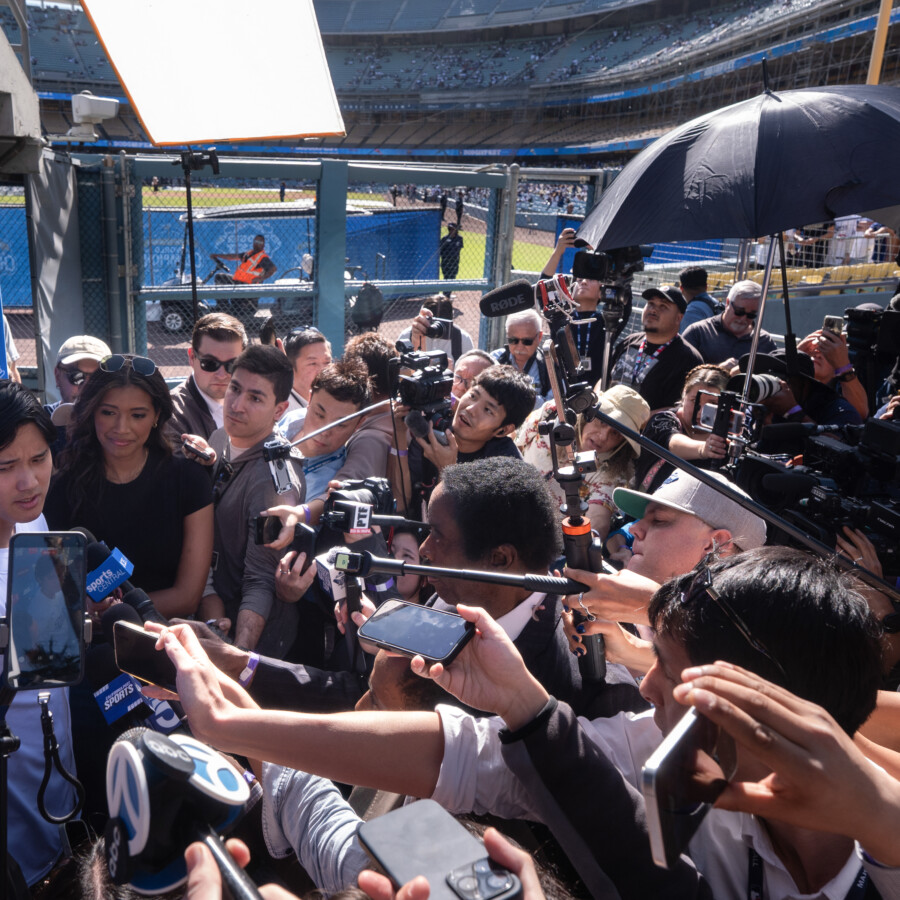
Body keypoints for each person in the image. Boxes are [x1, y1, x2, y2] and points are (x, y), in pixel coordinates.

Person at [150, 543, 891, 900]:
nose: (646, 683)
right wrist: (238, 728)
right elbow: (470, 758)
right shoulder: (670, 749)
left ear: (758, 704)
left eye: (668, 668)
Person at [44, 354, 213, 618]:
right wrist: (88, 612)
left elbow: (187, 597)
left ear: (157, 415)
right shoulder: (61, 488)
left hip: (167, 633)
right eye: (109, 412)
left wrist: (116, 612)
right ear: (92, 412)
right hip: (90, 636)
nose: (121, 428)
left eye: (137, 415)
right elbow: (52, 591)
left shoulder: (189, 479)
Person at [0, 381, 77, 889]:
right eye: (5, 466)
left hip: (54, 766)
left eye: (39, 458)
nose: (28, 481)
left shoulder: (35, 524)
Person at [193, 345, 305, 656]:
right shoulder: (219, 438)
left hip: (257, 641)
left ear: (279, 410)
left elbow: (261, 580)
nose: (237, 405)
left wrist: (240, 655)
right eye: (235, 389)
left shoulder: (273, 477)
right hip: (211, 614)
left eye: (255, 398)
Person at [391, 365, 534, 512]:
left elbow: (451, 525)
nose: (470, 409)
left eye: (487, 410)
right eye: (473, 396)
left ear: (503, 430)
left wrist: (447, 471)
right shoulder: (435, 426)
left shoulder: (505, 472)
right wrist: (399, 432)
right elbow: (400, 504)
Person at [516, 383, 649, 539]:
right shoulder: (552, 414)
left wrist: (590, 538)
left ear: (623, 444)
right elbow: (515, 441)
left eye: (616, 434)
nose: (603, 436)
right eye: (602, 422)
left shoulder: (614, 474)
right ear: (587, 413)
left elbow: (599, 516)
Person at [279, 359, 372, 523]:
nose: (324, 431)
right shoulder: (291, 419)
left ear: (359, 423)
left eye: (340, 424)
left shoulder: (330, 482)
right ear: (309, 398)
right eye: (319, 414)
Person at [632, 364, 730, 494]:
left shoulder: (732, 435)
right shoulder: (662, 419)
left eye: (712, 404)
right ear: (684, 395)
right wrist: (703, 449)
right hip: (651, 502)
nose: (701, 411)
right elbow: (672, 442)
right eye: (694, 400)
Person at [609, 285, 703, 411]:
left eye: (663, 306)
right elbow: (604, 378)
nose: (653, 310)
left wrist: (633, 420)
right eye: (651, 303)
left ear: (678, 318)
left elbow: (678, 408)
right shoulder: (629, 341)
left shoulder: (688, 359)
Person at [166, 313, 248, 450]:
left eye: (232, 364)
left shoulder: (254, 398)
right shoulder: (171, 416)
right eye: (210, 363)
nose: (221, 375)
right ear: (192, 357)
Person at [739, 348, 862, 432]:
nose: (776, 385)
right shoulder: (762, 403)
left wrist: (794, 413)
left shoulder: (839, 410)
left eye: (782, 379)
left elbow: (838, 451)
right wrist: (762, 422)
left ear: (805, 384)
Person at [540, 228, 607, 377]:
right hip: (563, 386)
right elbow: (543, 288)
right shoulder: (561, 316)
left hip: (597, 388)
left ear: (601, 291)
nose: (583, 282)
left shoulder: (606, 321)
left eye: (591, 279)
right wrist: (558, 251)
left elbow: (624, 299)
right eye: (579, 279)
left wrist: (598, 250)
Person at [681, 281, 777, 367]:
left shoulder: (764, 341)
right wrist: (719, 369)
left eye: (751, 315)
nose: (743, 319)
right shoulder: (698, 332)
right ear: (727, 303)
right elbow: (680, 372)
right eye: (739, 311)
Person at [797, 326, 868, 419]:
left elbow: (860, 414)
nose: (818, 354)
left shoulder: (834, 404)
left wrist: (844, 368)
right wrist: (795, 355)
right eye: (815, 348)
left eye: (826, 352)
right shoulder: (792, 386)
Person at [490, 309, 550, 409]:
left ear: (539, 337)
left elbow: (552, 405)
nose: (520, 347)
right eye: (513, 340)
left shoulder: (548, 365)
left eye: (527, 341)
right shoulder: (495, 359)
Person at [398, 296, 474, 369]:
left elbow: (471, 374)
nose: (435, 330)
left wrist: (453, 374)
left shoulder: (462, 339)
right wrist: (416, 342)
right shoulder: (407, 336)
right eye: (431, 323)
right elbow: (398, 372)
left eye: (443, 325)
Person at [44, 334, 111, 413]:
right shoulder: (41, 419)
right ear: (58, 377)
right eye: (77, 377)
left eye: (97, 378)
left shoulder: (119, 419)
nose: (86, 386)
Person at [282, 327, 333, 414]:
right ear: (290, 367)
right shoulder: (281, 409)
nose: (323, 371)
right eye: (313, 363)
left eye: (327, 362)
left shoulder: (338, 400)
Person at [212, 234, 277, 285]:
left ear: (263, 245)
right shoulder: (248, 254)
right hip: (237, 281)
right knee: (219, 277)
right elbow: (233, 256)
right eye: (255, 241)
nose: (257, 243)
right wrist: (218, 255)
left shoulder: (262, 258)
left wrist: (261, 279)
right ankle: (224, 299)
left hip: (248, 285)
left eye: (260, 242)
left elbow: (273, 269)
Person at [678, 266, 723, 332]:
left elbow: (685, 337)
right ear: (706, 286)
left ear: (681, 288)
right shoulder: (717, 304)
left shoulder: (691, 312)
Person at [439, 223, 463, 293]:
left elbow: (458, 249)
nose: (451, 231)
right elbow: (441, 251)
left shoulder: (459, 239)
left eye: (453, 229)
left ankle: (448, 293)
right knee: (446, 277)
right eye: (450, 229)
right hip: (445, 261)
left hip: (454, 261)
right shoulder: (444, 238)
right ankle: (445, 293)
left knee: (453, 277)